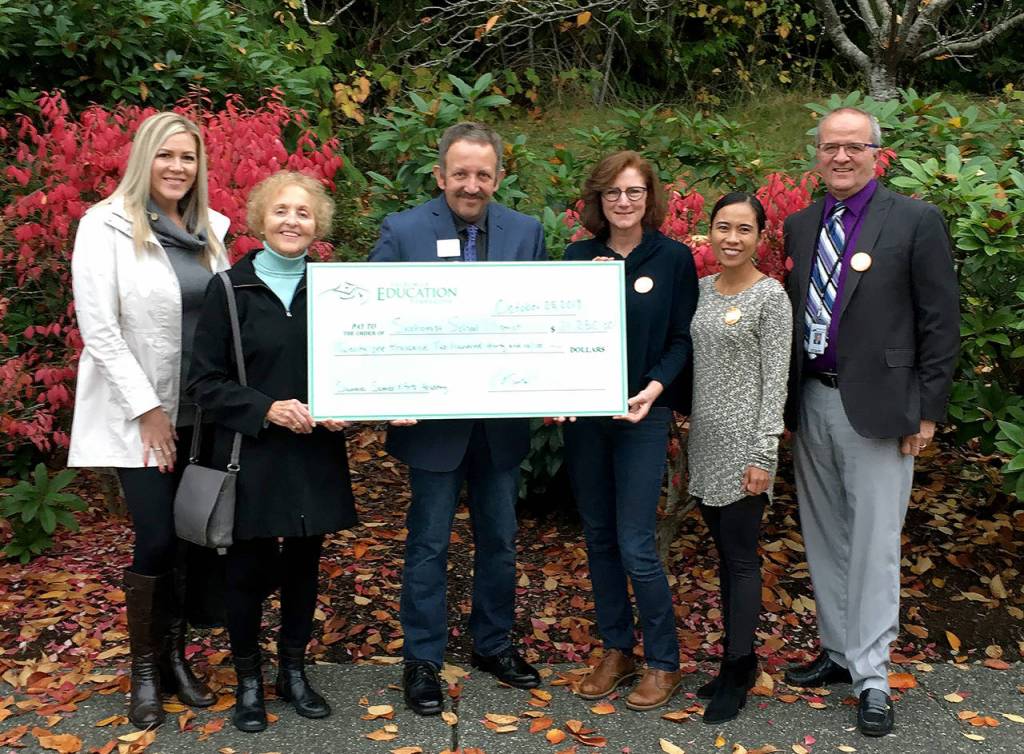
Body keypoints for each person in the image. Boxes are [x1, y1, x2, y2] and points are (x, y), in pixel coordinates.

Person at [781, 107, 959, 736]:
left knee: (876, 544)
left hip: (884, 409)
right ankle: (837, 651)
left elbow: (941, 322)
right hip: (813, 402)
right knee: (825, 532)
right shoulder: (801, 226)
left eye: (854, 147)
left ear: (876, 154)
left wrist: (928, 411)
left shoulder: (914, 220)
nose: (841, 158)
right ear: (817, 155)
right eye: (831, 147)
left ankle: (874, 674)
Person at [369, 122, 546, 716]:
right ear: (440, 173)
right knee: (428, 544)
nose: (472, 184)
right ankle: (421, 659)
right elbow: (373, 318)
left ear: (499, 176)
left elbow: (545, 319)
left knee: (499, 540)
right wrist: (386, 393)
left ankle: (492, 645)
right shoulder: (404, 230)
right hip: (433, 425)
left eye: (483, 173)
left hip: (500, 421)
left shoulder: (526, 232)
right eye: (461, 173)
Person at [68, 112, 228, 729]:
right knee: (156, 535)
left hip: (202, 414)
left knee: (191, 535)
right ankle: (143, 668)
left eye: (188, 157)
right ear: (143, 159)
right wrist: (150, 410)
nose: (177, 168)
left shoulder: (212, 230)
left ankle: (175, 659)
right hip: (141, 414)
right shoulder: (103, 226)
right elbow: (100, 330)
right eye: (165, 156)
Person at [189, 171, 356, 732]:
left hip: (314, 448)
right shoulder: (229, 291)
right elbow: (203, 383)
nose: (292, 221)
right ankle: (249, 681)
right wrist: (266, 408)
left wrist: (349, 405)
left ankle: (293, 671)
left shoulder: (334, 290)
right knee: (247, 570)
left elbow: (354, 367)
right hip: (250, 450)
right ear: (261, 219)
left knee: (306, 567)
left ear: (319, 225)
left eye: (304, 213)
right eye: (281, 210)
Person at [562, 150, 698, 711]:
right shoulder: (577, 257)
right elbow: (560, 334)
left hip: (643, 416)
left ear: (650, 198)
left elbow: (680, 340)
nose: (623, 202)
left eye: (634, 192)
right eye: (613, 193)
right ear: (598, 199)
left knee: (637, 542)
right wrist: (558, 391)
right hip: (587, 422)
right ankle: (617, 650)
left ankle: (663, 662)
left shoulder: (673, 259)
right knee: (598, 537)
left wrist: (655, 390)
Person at [687, 193, 791, 723]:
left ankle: (739, 665)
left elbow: (776, 384)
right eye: (722, 227)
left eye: (743, 229)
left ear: (760, 237)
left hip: (747, 448)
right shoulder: (701, 290)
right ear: (709, 232)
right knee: (724, 557)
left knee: (742, 558)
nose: (731, 238)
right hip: (704, 443)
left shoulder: (771, 297)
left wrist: (762, 454)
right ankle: (737, 660)